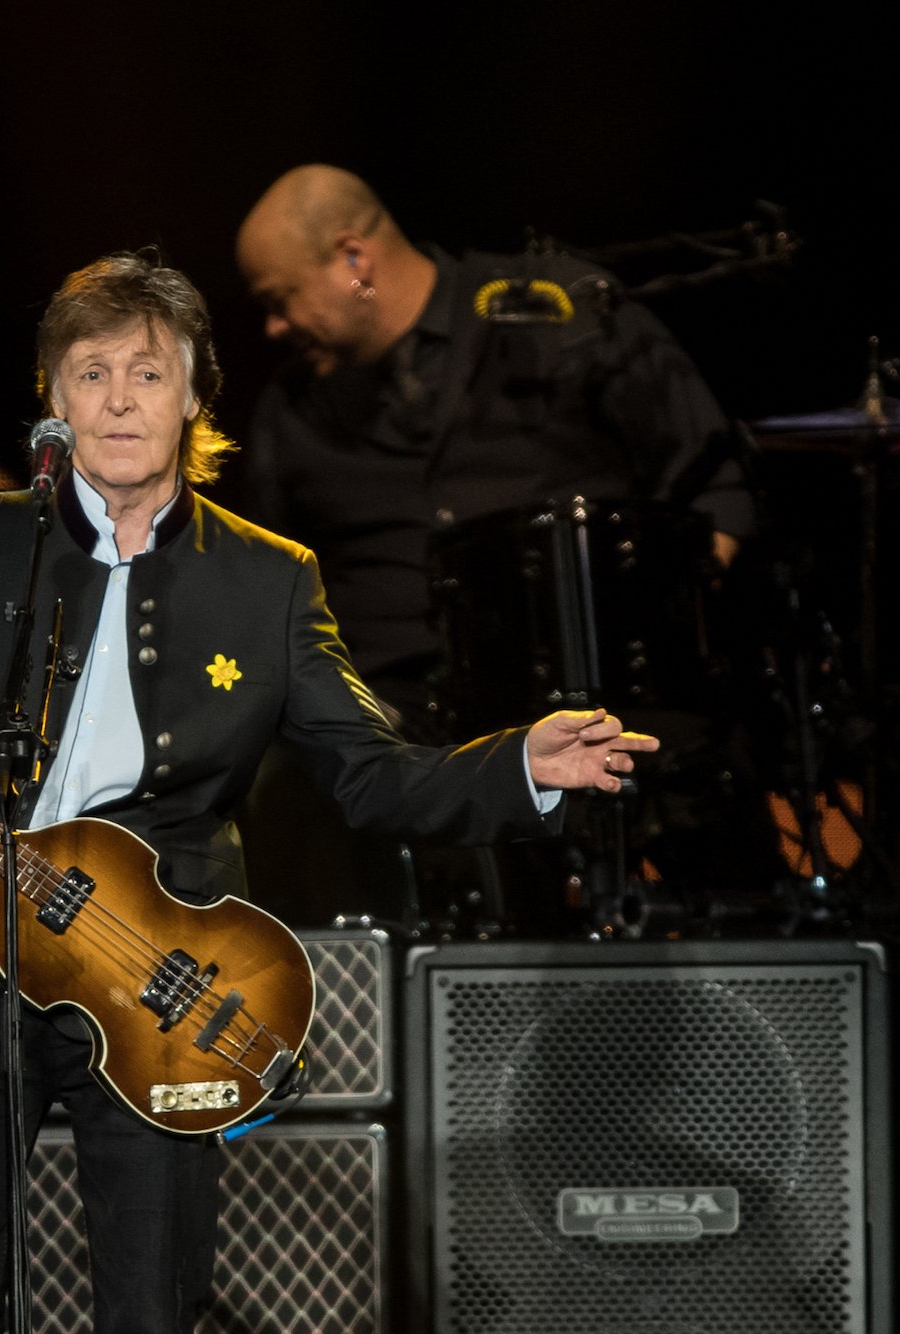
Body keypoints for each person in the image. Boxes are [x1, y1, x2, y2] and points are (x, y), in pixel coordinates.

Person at [0, 250, 657, 1334]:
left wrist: (518, 765)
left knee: (155, 1301)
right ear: (53, 402)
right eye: (89, 373)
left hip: (161, 978)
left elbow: (369, 769)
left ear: (196, 394)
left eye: (147, 372)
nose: (118, 399)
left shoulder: (267, 576)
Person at [235, 165, 773, 925]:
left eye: (277, 300)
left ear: (352, 258)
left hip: (608, 699)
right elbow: (265, 594)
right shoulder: (291, 416)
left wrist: (661, 626)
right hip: (400, 730)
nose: (273, 329)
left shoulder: (556, 314)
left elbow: (716, 490)